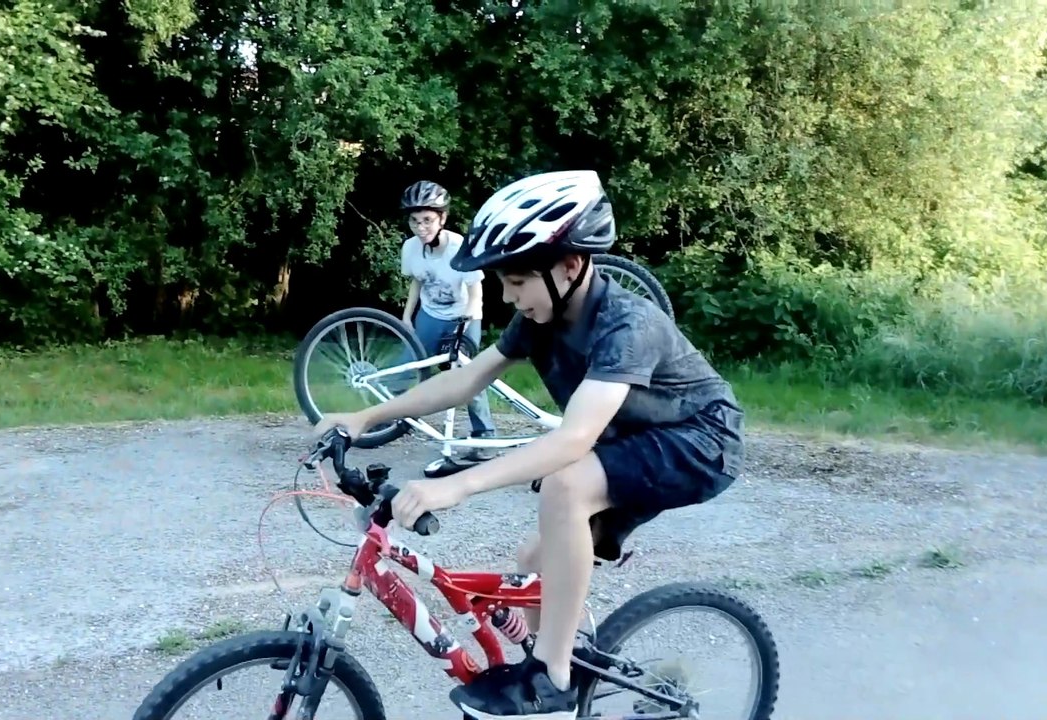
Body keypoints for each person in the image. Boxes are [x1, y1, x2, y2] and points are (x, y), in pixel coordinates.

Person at [311, 169, 745, 719]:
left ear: (570, 265)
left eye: (517, 281)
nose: (507, 295)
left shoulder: (628, 323)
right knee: (534, 563)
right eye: (502, 282)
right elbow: (467, 379)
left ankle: (552, 678)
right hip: (632, 441)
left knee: (566, 485)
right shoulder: (540, 316)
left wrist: (456, 485)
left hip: (701, 440)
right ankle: (553, 674)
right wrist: (365, 416)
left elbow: (574, 439)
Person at [397, 180, 497, 460]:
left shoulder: (459, 247)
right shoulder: (411, 247)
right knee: (406, 366)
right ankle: (388, 421)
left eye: (427, 220)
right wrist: (407, 316)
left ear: (442, 218)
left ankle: (485, 436)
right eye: (415, 221)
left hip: (464, 315)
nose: (421, 228)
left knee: (467, 375)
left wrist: (465, 323)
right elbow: (417, 282)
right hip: (430, 314)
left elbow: (476, 291)